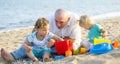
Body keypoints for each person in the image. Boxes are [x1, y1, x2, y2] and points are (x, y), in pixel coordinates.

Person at [0, 8, 82, 62]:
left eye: (61, 22)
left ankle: (45, 57)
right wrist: (34, 38)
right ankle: (12, 56)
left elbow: (75, 40)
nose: (58, 24)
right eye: (56, 21)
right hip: (43, 42)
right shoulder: (48, 19)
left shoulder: (75, 21)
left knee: (60, 49)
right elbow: (34, 31)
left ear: (68, 19)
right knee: (29, 47)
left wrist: (57, 41)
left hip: (56, 45)